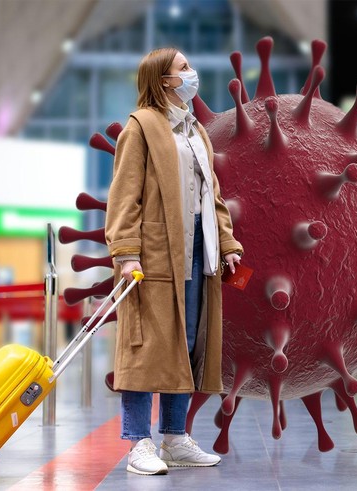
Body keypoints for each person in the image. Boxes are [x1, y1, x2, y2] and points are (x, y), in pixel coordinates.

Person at [105, 46, 243, 475]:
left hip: (197, 252)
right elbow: (124, 196)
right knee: (146, 347)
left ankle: (174, 437)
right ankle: (138, 444)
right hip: (153, 255)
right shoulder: (141, 127)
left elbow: (213, 196)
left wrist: (228, 243)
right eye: (184, 68)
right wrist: (126, 254)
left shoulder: (195, 131)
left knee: (186, 344)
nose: (192, 73)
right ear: (164, 80)